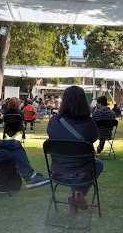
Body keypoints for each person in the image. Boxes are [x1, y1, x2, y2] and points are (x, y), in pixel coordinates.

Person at [47, 86, 103, 214]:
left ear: (64, 101)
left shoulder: (54, 122)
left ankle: (76, 195)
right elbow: (94, 139)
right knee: (97, 164)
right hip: (82, 171)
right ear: (83, 101)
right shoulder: (89, 123)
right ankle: (78, 194)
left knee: (74, 164)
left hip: (57, 171)